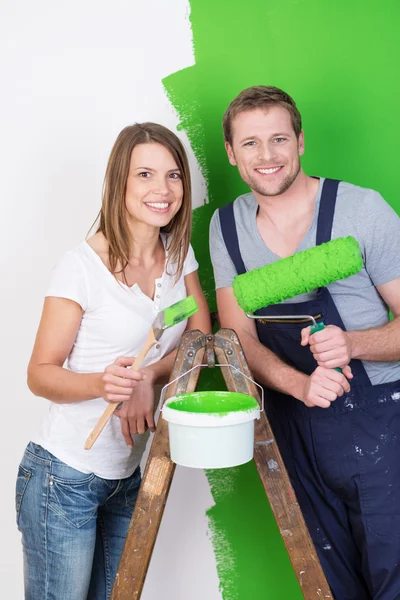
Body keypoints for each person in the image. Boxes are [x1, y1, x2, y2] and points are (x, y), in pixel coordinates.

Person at [209, 86, 400, 599]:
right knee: (329, 586)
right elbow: (236, 339)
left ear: (300, 142)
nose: (265, 156)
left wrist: (352, 344)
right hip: (293, 429)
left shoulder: (361, 210)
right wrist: (299, 383)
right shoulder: (225, 228)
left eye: (278, 139)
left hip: (382, 425)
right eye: (249, 143)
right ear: (231, 153)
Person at [16, 122, 211, 600]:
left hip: (126, 478)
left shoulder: (177, 256)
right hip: (63, 478)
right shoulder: (80, 268)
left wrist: (149, 375)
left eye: (173, 175)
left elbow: (200, 335)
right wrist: (106, 384)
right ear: (119, 182)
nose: (162, 190)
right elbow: (39, 374)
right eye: (144, 174)